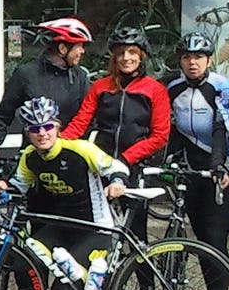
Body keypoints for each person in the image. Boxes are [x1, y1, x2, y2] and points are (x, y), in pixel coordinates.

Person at [0, 96, 130, 290]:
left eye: (47, 127)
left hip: (94, 228)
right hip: (60, 227)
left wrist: (117, 182)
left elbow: (117, 167)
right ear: (27, 132)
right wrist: (2, 186)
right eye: (34, 128)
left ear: (57, 127)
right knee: (24, 264)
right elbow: (18, 186)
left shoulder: (80, 150)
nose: (42, 133)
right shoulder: (30, 157)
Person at [62, 28, 171, 267]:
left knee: (136, 235)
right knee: (96, 232)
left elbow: (160, 135)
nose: (126, 58)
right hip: (100, 167)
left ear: (142, 56)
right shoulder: (101, 87)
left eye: (132, 52)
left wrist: (125, 159)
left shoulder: (155, 90)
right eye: (121, 53)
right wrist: (57, 144)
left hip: (135, 168)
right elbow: (82, 121)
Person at [166, 33, 229, 290]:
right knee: (196, 238)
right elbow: (172, 129)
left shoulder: (221, 86)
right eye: (186, 57)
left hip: (225, 167)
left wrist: (217, 165)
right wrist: (168, 160)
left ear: (209, 60)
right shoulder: (173, 88)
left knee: (213, 239)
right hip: (193, 169)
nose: (192, 62)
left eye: (198, 57)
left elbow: (221, 127)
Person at [0, 18, 93, 150]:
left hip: (70, 154)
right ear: (62, 49)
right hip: (34, 156)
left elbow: (88, 118)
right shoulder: (26, 74)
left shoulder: (80, 77)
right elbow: (3, 115)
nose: (82, 51)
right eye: (79, 47)